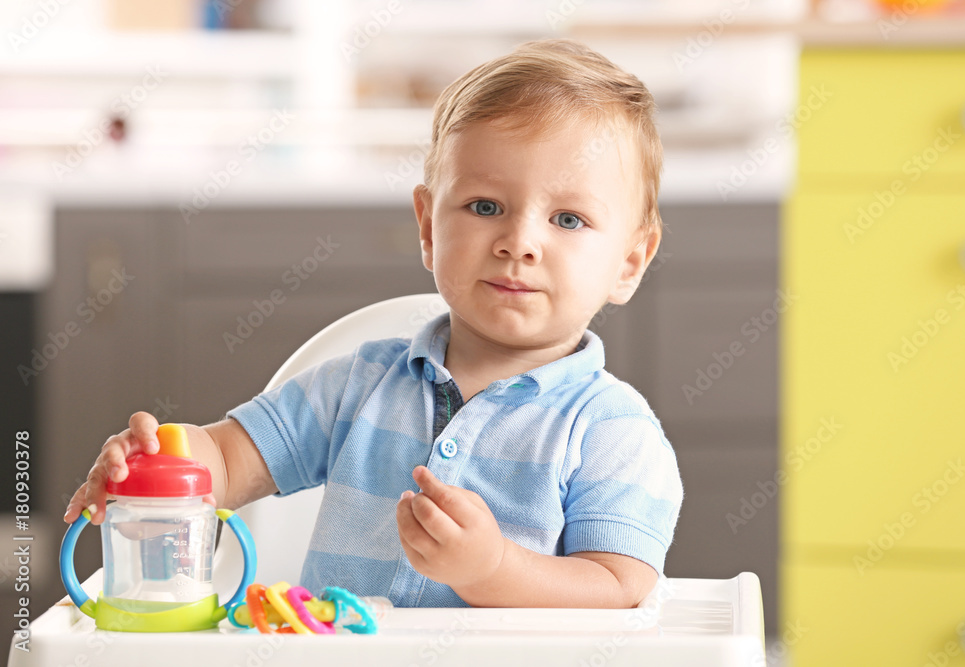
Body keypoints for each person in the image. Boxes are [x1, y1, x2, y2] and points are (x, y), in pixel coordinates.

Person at [64, 38, 682, 609]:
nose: (519, 242)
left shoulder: (613, 431)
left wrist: (492, 568)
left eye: (568, 220)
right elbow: (225, 463)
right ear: (430, 226)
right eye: (486, 206)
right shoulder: (356, 386)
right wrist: (155, 459)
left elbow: (619, 589)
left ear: (629, 262)